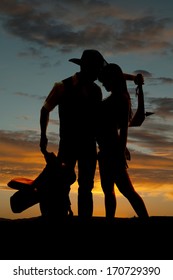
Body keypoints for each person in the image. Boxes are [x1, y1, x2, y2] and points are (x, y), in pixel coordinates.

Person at [39, 49, 108, 219]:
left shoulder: (97, 91)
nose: (98, 73)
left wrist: (102, 144)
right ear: (86, 68)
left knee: (86, 187)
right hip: (68, 144)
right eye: (96, 69)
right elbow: (45, 110)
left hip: (89, 145)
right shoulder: (62, 86)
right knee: (62, 185)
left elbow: (97, 121)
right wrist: (43, 135)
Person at [97, 63, 149, 219]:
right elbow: (119, 77)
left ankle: (145, 219)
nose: (103, 84)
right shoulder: (118, 97)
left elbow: (124, 130)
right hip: (105, 151)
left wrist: (120, 152)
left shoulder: (120, 99)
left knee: (126, 191)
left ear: (111, 79)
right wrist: (133, 78)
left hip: (112, 151)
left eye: (105, 81)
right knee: (109, 191)